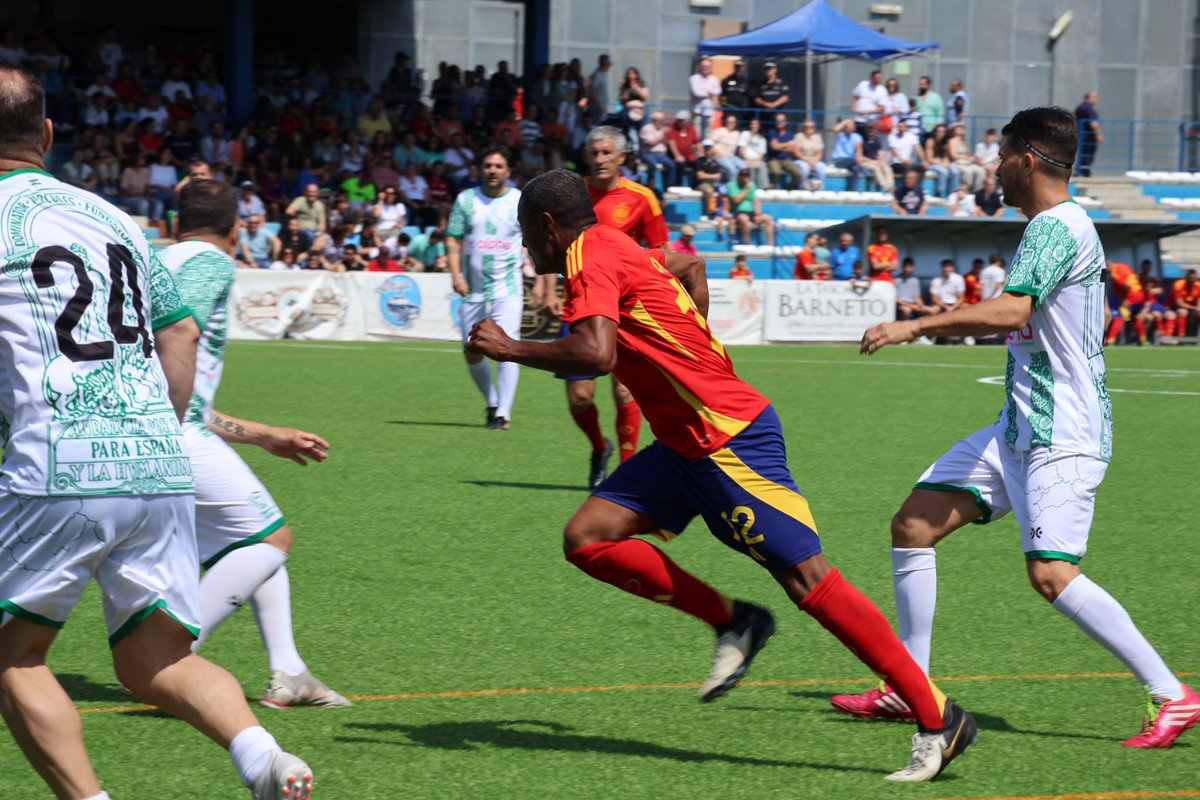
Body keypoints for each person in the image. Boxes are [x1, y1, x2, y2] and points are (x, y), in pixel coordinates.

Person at [465, 168, 978, 782]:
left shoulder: (586, 254)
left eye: (526, 235)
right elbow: (689, 267)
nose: (526, 249)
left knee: (808, 579)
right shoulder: (617, 244)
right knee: (589, 537)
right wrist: (690, 345)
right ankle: (735, 619)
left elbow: (596, 354)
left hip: (728, 439)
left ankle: (937, 716)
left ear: (548, 226)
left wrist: (510, 347)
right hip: (684, 443)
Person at [0, 61, 313, 800]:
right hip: (157, 459)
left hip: (58, 458)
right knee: (156, 657)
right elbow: (180, 331)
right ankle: (261, 753)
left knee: (14, 656)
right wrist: (158, 427)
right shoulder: (113, 216)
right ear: (46, 133)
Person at [847, 107, 1200, 748]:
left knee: (1051, 575)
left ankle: (1172, 694)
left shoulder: (1055, 226)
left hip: (1062, 430)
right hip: (1019, 423)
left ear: (1028, 160)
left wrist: (913, 324)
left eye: (1002, 155)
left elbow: (1013, 308)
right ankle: (911, 686)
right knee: (913, 525)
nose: (995, 168)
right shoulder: (1052, 226)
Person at [164, 180, 350, 711]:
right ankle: (171, 659)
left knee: (251, 545)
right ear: (237, 228)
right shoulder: (212, 262)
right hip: (171, 434)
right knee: (272, 540)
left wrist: (264, 434)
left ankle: (288, 672)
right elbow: (178, 338)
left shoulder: (154, 261)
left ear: (176, 223)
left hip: (160, 426)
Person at [562, 125, 669, 484]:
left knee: (625, 387)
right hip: (579, 300)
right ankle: (599, 445)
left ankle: (625, 470)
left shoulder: (642, 198)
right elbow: (551, 243)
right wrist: (547, 285)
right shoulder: (572, 194)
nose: (600, 159)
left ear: (622, 157)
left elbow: (662, 253)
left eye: (607, 153)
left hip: (626, 305)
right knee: (580, 395)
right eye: (594, 153)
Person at [446, 147, 524, 431]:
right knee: (472, 350)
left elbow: (534, 237)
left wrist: (542, 278)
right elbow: (453, 238)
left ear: (508, 171)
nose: (493, 170)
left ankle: (503, 413)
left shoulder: (519, 200)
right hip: (473, 289)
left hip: (509, 287)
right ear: (480, 169)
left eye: (499, 166)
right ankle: (491, 402)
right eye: (488, 165)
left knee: (508, 347)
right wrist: (456, 274)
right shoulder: (465, 200)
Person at [728, 167, 774, 247]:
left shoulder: (752, 186)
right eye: (742, 176)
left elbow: (755, 200)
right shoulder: (731, 185)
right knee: (744, 219)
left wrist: (757, 214)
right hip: (737, 210)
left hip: (750, 212)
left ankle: (771, 244)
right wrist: (746, 189)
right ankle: (748, 242)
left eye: (745, 176)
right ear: (738, 176)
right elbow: (736, 200)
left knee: (768, 218)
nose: (743, 178)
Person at [830, 118, 869, 192]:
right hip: (840, 161)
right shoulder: (840, 135)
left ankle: (851, 190)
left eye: (851, 125)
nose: (850, 127)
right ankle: (867, 174)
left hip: (851, 161)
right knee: (855, 160)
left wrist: (859, 157)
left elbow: (859, 150)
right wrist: (846, 121)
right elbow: (835, 129)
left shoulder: (857, 137)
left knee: (856, 169)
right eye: (848, 125)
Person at [765, 112, 802, 190]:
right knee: (776, 172)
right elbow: (774, 146)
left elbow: (792, 149)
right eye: (777, 120)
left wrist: (780, 145)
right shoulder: (772, 132)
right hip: (774, 158)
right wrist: (787, 144)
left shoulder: (789, 134)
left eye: (781, 120)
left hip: (786, 159)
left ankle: (787, 188)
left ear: (786, 122)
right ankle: (772, 187)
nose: (778, 122)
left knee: (798, 174)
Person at [895, 257, 934, 323]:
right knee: (906, 310)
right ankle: (906, 329)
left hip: (913, 304)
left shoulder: (915, 280)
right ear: (903, 267)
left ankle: (922, 329)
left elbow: (917, 297)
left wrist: (921, 305)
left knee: (930, 311)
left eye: (910, 267)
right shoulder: (896, 280)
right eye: (906, 267)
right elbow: (897, 299)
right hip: (902, 305)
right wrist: (912, 306)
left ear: (912, 268)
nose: (908, 269)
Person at [688, 58, 721, 132]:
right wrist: (710, 92)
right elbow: (697, 93)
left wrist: (705, 91)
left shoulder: (714, 79)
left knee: (709, 135)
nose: (705, 68)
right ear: (700, 67)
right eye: (704, 66)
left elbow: (718, 91)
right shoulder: (694, 78)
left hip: (709, 112)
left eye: (708, 66)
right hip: (698, 111)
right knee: (697, 134)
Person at [793, 118, 826, 190]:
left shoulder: (818, 137)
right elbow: (797, 152)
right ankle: (801, 187)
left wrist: (814, 161)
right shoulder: (799, 136)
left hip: (814, 160)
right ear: (803, 127)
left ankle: (819, 187)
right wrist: (807, 161)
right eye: (806, 126)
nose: (809, 128)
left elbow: (820, 153)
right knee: (805, 169)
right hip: (801, 160)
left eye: (811, 126)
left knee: (821, 169)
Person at [852, 70, 888, 134]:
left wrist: (868, 111)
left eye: (879, 78)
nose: (877, 80)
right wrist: (854, 108)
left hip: (871, 121)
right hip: (858, 118)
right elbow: (855, 97)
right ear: (871, 77)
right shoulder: (862, 84)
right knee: (856, 138)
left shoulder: (882, 90)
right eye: (875, 78)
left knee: (869, 141)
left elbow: (882, 108)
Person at [1075, 91, 1102, 177]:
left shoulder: (1081, 107)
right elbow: (1093, 123)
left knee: (1083, 153)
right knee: (1088, 153)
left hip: (1083, 135)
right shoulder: (1088, 108)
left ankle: (1081, 170)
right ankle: (1085, 171)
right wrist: (1098, 134)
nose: (1097, 99)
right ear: (1090, 97)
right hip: (1088, 136)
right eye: (1095, 96)